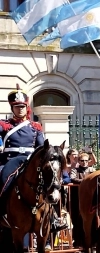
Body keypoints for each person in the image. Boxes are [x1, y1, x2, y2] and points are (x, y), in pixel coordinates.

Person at [0, 84, 67, 232]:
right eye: (17, 106)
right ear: (12, 108)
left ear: (27, 107)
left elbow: (42, 148)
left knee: (49, 183)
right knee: (3, 180)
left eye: (22, 106)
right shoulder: (4, 125)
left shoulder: (35, 127)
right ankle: (2, 212)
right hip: (10, 160)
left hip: (30, 161)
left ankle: (54, 218)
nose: (20, 109)